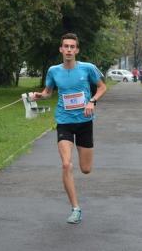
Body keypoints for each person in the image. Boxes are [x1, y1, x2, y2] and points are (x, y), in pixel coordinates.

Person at [32, 33, 106, 224]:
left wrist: (92, 101)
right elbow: (48, 92)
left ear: (77, 50)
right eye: (66, 46)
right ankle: (75, 208)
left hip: (84, 122)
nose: (69, 50)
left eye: (72, 47)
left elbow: (102, 87)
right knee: (66, 164)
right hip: (64, 121)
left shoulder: (88, 68)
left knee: (86, 169)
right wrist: (39, 95)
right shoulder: (53, 71)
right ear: (61, 49)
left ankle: (76, 204)